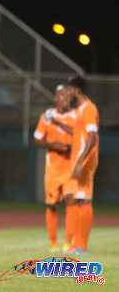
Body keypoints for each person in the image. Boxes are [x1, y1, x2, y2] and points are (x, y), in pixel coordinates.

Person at [34, 84, 77, 252]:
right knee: (51, 205)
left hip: (71, 168)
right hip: (53, 169)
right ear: (55, 98)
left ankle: (67, 242)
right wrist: (53, 145)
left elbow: (81, 135)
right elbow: (37, 140)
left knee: (71, 201)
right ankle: (53, 243)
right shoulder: (46, 116)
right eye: (61, 95)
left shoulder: (76, 115)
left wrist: (69, 147)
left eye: (67, 95)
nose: (65, 98)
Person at [64, 76, 99, 255]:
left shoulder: (89, 109)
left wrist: (80, 161)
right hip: (79, 160)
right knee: (79, 200)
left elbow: (92, 136)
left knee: (85, 200)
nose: (67, 92)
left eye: (69, 89)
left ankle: (82, 246)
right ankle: (77, 244)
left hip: (85, 162)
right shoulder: (81, 110)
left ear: (77, 90)